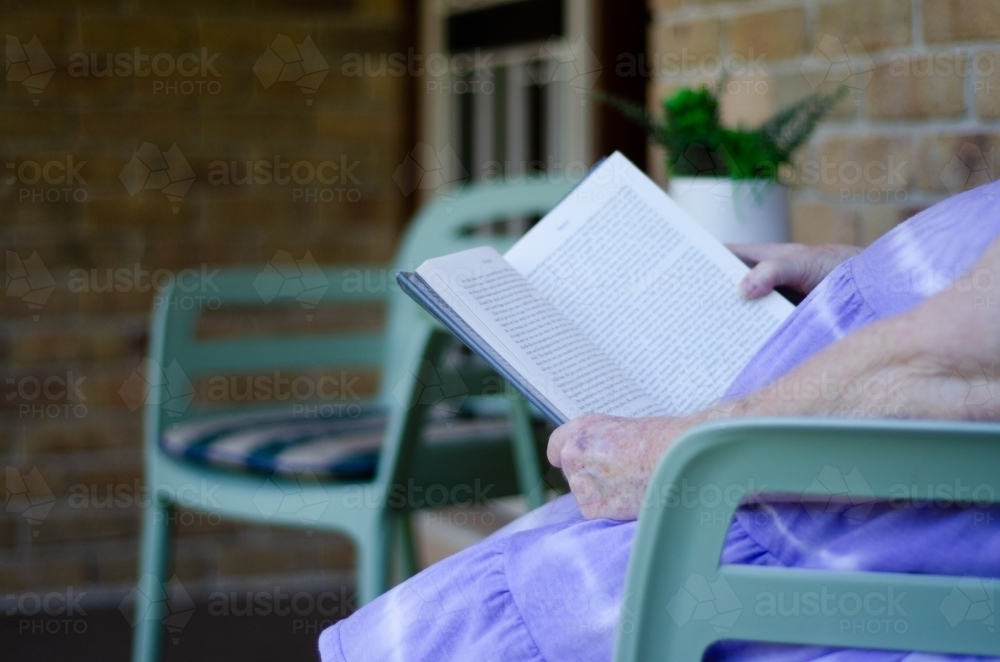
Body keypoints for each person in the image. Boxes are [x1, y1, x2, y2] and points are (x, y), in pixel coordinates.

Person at [319, 180, 1000, 662]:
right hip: (773, 472)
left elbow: (961, 367)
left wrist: (673, 454)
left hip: (792, 524)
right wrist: (846, 274)